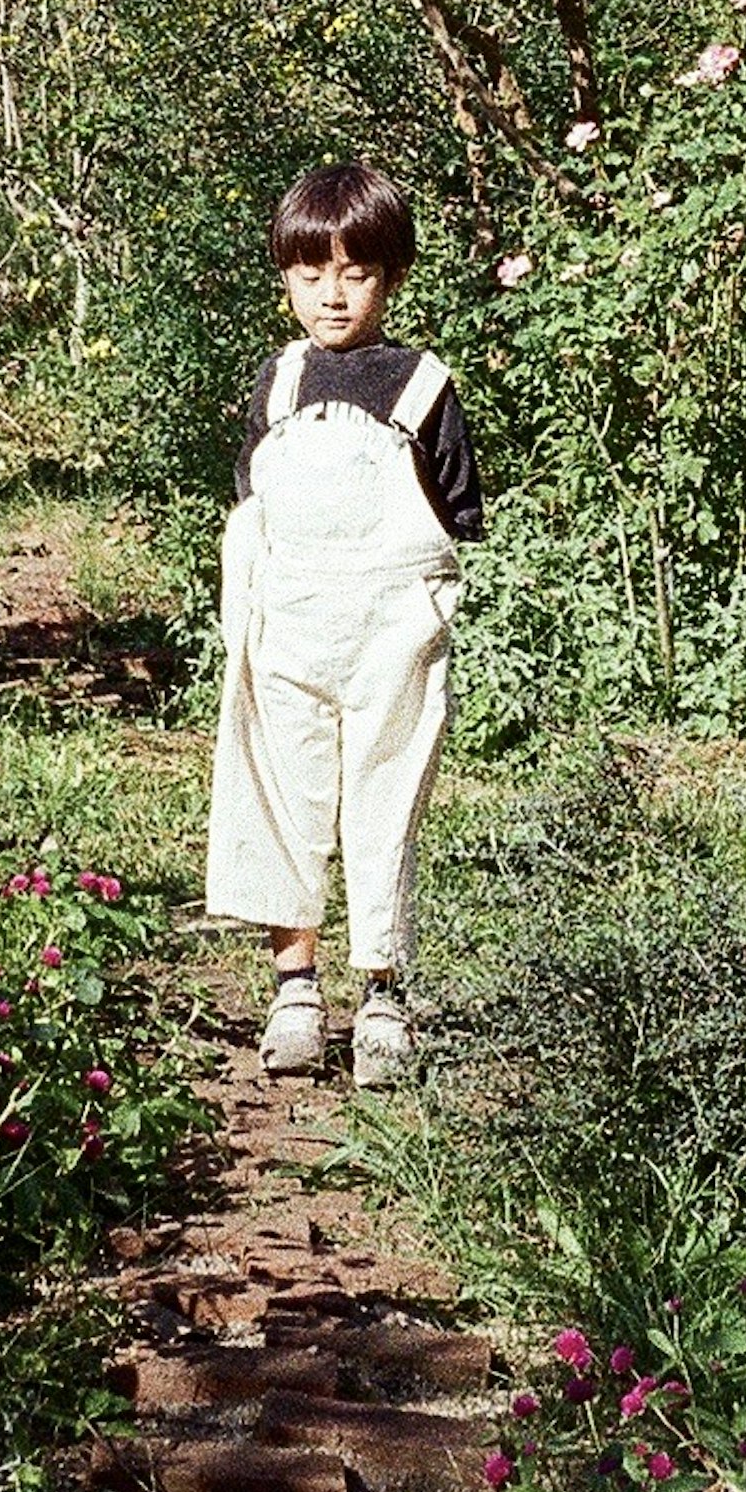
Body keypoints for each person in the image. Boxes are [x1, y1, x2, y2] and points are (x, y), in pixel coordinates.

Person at [204, 156, 483, 1084]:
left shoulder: (422, 387)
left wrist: (410, 607)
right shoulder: (276, 384)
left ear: (391, 278)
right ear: (285, 278)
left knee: (382, 801)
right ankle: (294, 989)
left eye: (356, 274)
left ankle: (382, 998)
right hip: (289, 631)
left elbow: (453, 518)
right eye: (311, 275)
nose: (333, 296)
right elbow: (256, 504)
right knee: (287, 801)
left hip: (389, 642)